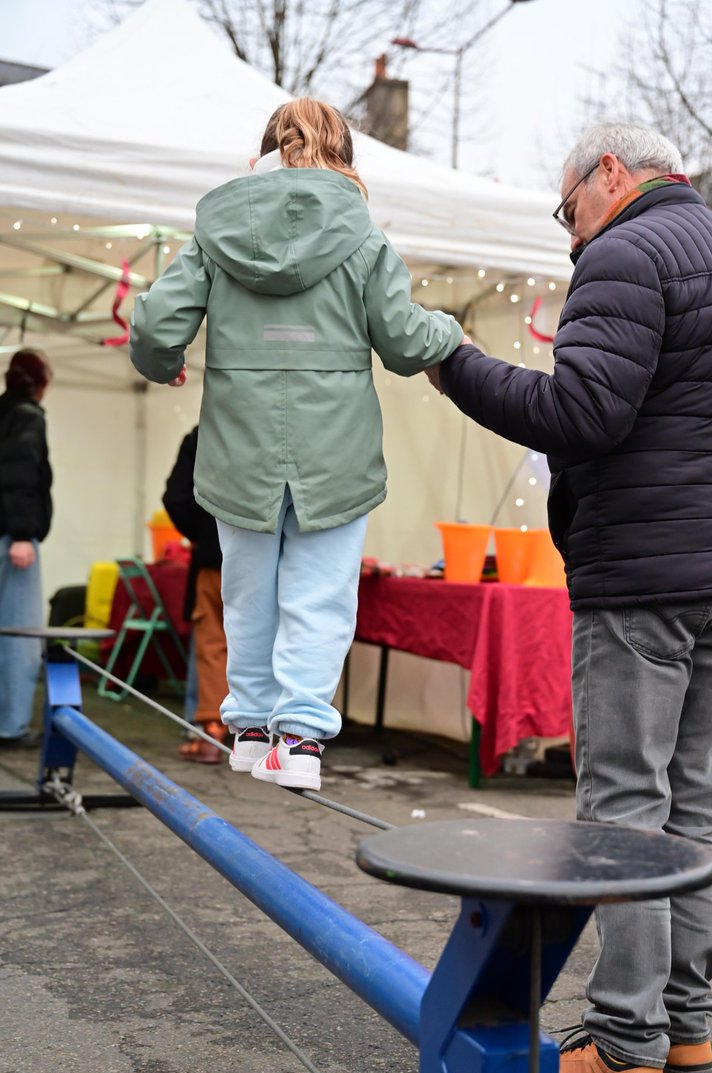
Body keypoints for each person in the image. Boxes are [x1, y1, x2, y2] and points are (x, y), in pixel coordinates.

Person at [429, 123, 712, 1073]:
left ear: (610, 176)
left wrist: (453, 364)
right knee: (689, 812)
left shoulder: (624, 252)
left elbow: (580, 413)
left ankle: (623, 1046)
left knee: (624, 811)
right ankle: (683, 1026)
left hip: (643, 575)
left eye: (567, 208)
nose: (569, 234)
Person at [130, 97, 462, 791]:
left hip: (238, 447)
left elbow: (158, 323)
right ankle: (301, 741)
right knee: (319, 595)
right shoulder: (363, 238)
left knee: (249, 592)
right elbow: (403, 342)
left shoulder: (216, 235)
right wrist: (453, 336)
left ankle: (249, 729)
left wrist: (167, 363)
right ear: (343, 155)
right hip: (335, 451)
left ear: (267, 152)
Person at [163, 425, 227, 764]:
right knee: (271, 640)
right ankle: (274, 737)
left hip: (216, 553)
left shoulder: (204, 433)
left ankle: (212, 734)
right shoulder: (279, 421)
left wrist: (202, 532)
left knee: (213, 641)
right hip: (272, 551)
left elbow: (175, 498)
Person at [0, 348, 54, 748]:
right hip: (11, 538)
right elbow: (19, 474)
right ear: (41, 382)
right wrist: (21, 534)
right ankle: (12, 725)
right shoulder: (28, 416)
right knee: (20, 634)